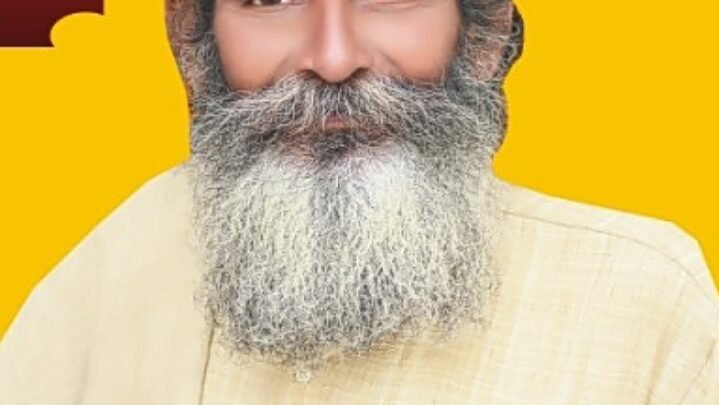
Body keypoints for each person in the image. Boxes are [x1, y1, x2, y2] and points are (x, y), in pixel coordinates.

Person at [1, 0, 717, 403]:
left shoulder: (641, 297)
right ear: (199, 43)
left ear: (478, 33)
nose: (334, 58)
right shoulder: (132, 253)